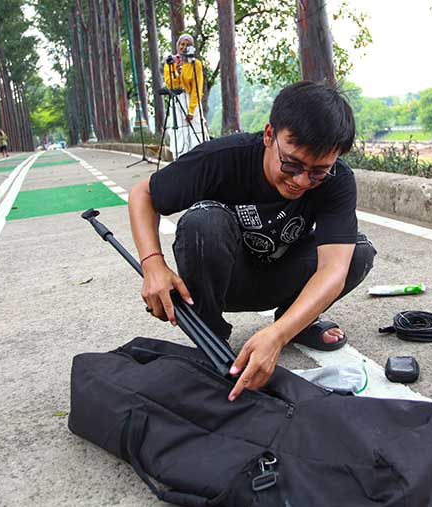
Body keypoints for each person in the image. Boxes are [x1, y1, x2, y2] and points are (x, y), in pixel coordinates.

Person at [128, 81, 376, 402]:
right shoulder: (223, 157)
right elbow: (143, 194)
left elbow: (333, 269)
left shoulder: (338, 180)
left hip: (283, 276)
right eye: (292, 164)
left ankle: (295, 322)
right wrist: (153, 265)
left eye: (318, 172)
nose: (301, 181)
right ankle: (211, 336)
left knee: (357, 251)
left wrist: (278, 335)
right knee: (203, 221)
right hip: (225, 279)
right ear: (269, 135)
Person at [163, 34, 208, 158]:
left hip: (191, 100)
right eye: (182, 44)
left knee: (196, 133)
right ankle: (181, 160)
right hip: (177, 100)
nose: (184, 47)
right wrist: (176, 71)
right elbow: (171, 85)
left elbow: (197, 88)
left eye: (188, 45)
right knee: (180, 134)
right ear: (177, 46)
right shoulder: (170, 63)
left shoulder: (196, 64)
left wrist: (192, 110)